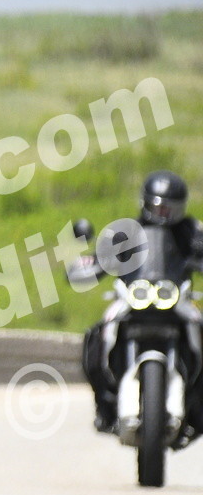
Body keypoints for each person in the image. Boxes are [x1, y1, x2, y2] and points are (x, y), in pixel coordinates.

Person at [71, 170, 203, 432]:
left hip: (175, 299)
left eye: (170, 209)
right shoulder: (127, 231)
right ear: (145, 203)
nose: (163, 214)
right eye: (158, 207)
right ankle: (104, 403)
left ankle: (198, 408)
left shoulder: (192, 231)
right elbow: (101, 255)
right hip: (135, 297)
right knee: (96, 335)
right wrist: (89, 264)